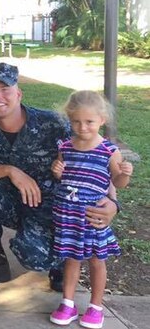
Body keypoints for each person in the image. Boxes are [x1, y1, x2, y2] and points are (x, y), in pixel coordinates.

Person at [0, 63, 119, 292]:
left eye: (5, 89)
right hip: (7, 201)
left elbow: (95, 158)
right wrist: (10, 170)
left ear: (18, 93)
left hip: (52, 208)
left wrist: (112, 203)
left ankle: (62, 262)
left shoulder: (52, 124)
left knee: (34, 257)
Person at [49, 91, 132, 328]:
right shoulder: (65, 147)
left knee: (97, 260)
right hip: (69, 217)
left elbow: (117, 183)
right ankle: (68, 302)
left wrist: (124, 174)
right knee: (72, 260)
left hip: (93, 217)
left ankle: (96, 307)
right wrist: (57, 172)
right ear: (69, 119)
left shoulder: (108, 151)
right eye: (76, 121)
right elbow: (63, 177)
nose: (82, 127)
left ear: (102, 120)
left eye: (89, 122)